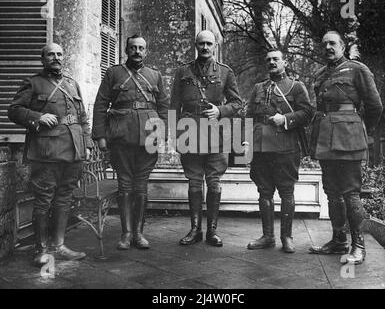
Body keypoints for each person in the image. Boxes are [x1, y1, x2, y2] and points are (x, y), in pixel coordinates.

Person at [8, 43, 92, 265]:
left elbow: (82, 117)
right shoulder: (33, 83)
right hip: (46, 151)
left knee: (64, 198)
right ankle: (42, 250)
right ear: (42, 59)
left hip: (73, 150)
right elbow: (14, 110)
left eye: (59, 54)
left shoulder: (72, 84)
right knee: (44, 200)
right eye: (51, 54)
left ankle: (59, 245)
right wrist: (37, 117)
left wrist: (88, 143)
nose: (56, 57)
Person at [308, 31, 383, 265]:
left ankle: (359, 246)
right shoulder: (320, 74)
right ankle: (338, 240)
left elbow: (375, 106)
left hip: (349, 139)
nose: (328, 47)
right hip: (326, 138)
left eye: (333, 43)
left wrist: (360, 130)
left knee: (350, 192)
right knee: (331, 191)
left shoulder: (357, 69)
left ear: (342, 46)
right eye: (324, 44)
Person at [92, 34, 169, 250]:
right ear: (126, 50)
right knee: (125, 184)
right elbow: (100, 105)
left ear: (146, 51)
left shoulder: (155, 75)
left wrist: (163, 135)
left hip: (149, 136)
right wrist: (100, 136)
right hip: (121, 135)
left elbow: (163, 107)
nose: (137, 51)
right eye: (133, 47)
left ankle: (138, 233)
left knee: (141, 185)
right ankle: (126, 233)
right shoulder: (113, 73)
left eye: (141, 48)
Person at [170, 30, 242, 247]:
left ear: (215, 46)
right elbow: (174, 105)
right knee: (193, 183)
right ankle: (195, 229)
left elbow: (238, 103)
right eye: (201, 43)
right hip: (189, 132)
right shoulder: (183, 71)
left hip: (217, 134)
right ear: (195, 45)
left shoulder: (225, 72)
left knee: (214, 183)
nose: (205, 47)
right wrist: (175, 135)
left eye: (209, 43)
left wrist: (220, 111)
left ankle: (212, 231)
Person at [245, 49, 314, 253]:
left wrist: (285, 119)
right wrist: (247, 143)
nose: (272, 62)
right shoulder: (258, 87)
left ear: (285, 62)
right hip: (261, 148)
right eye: (268, 59)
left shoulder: (296, 86)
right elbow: (249, 117)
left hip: (286, 147)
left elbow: (308, 113)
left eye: (276, 59)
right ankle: (267, 237)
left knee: (286, 191)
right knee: (264, 191)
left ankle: (287, 237)